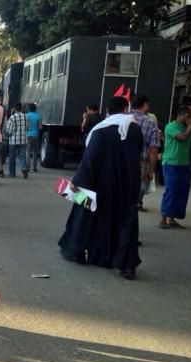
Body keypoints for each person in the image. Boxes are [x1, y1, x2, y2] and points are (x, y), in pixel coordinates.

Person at [58, 96, 143, 280]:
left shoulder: (100, 131)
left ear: (107, 111)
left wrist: (77, 183)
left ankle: (77, 251)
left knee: (84, 215)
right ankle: (127, 266)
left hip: (101, 184)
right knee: (126, 221)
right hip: (127, 185)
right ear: (125, 110)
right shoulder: (135, 130)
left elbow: (89, 160)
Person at [159, 105, 191, 229]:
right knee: (171, 189)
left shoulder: (190, 128)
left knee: (182, 191)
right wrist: (190, 127)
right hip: (170, 163)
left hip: (184, 164)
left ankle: (172, 219)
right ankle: (163, 218)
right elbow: (183, 137)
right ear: (184, 115)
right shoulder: (171, 127)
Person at [6, 102, 30, 178]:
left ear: (14, 108)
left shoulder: (12, 117)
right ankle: (24, 167)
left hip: (13, 140)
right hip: (23, 140)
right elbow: (28, 128)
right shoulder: (26, 117)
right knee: (22, 155)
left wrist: (8, 135)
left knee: (12, 157)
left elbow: (9, 130)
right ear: (21, 108)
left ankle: (12, 173)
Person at [26, 103, 42, 172]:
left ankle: (27, 167)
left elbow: (25, 126)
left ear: (29, 108)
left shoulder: (26, 115)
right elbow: (40, 127)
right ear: (35, 108)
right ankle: (34, 167)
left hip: (28, 135)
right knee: (35, 152)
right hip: (35, 135)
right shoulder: (38, 116)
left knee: (28, 151)